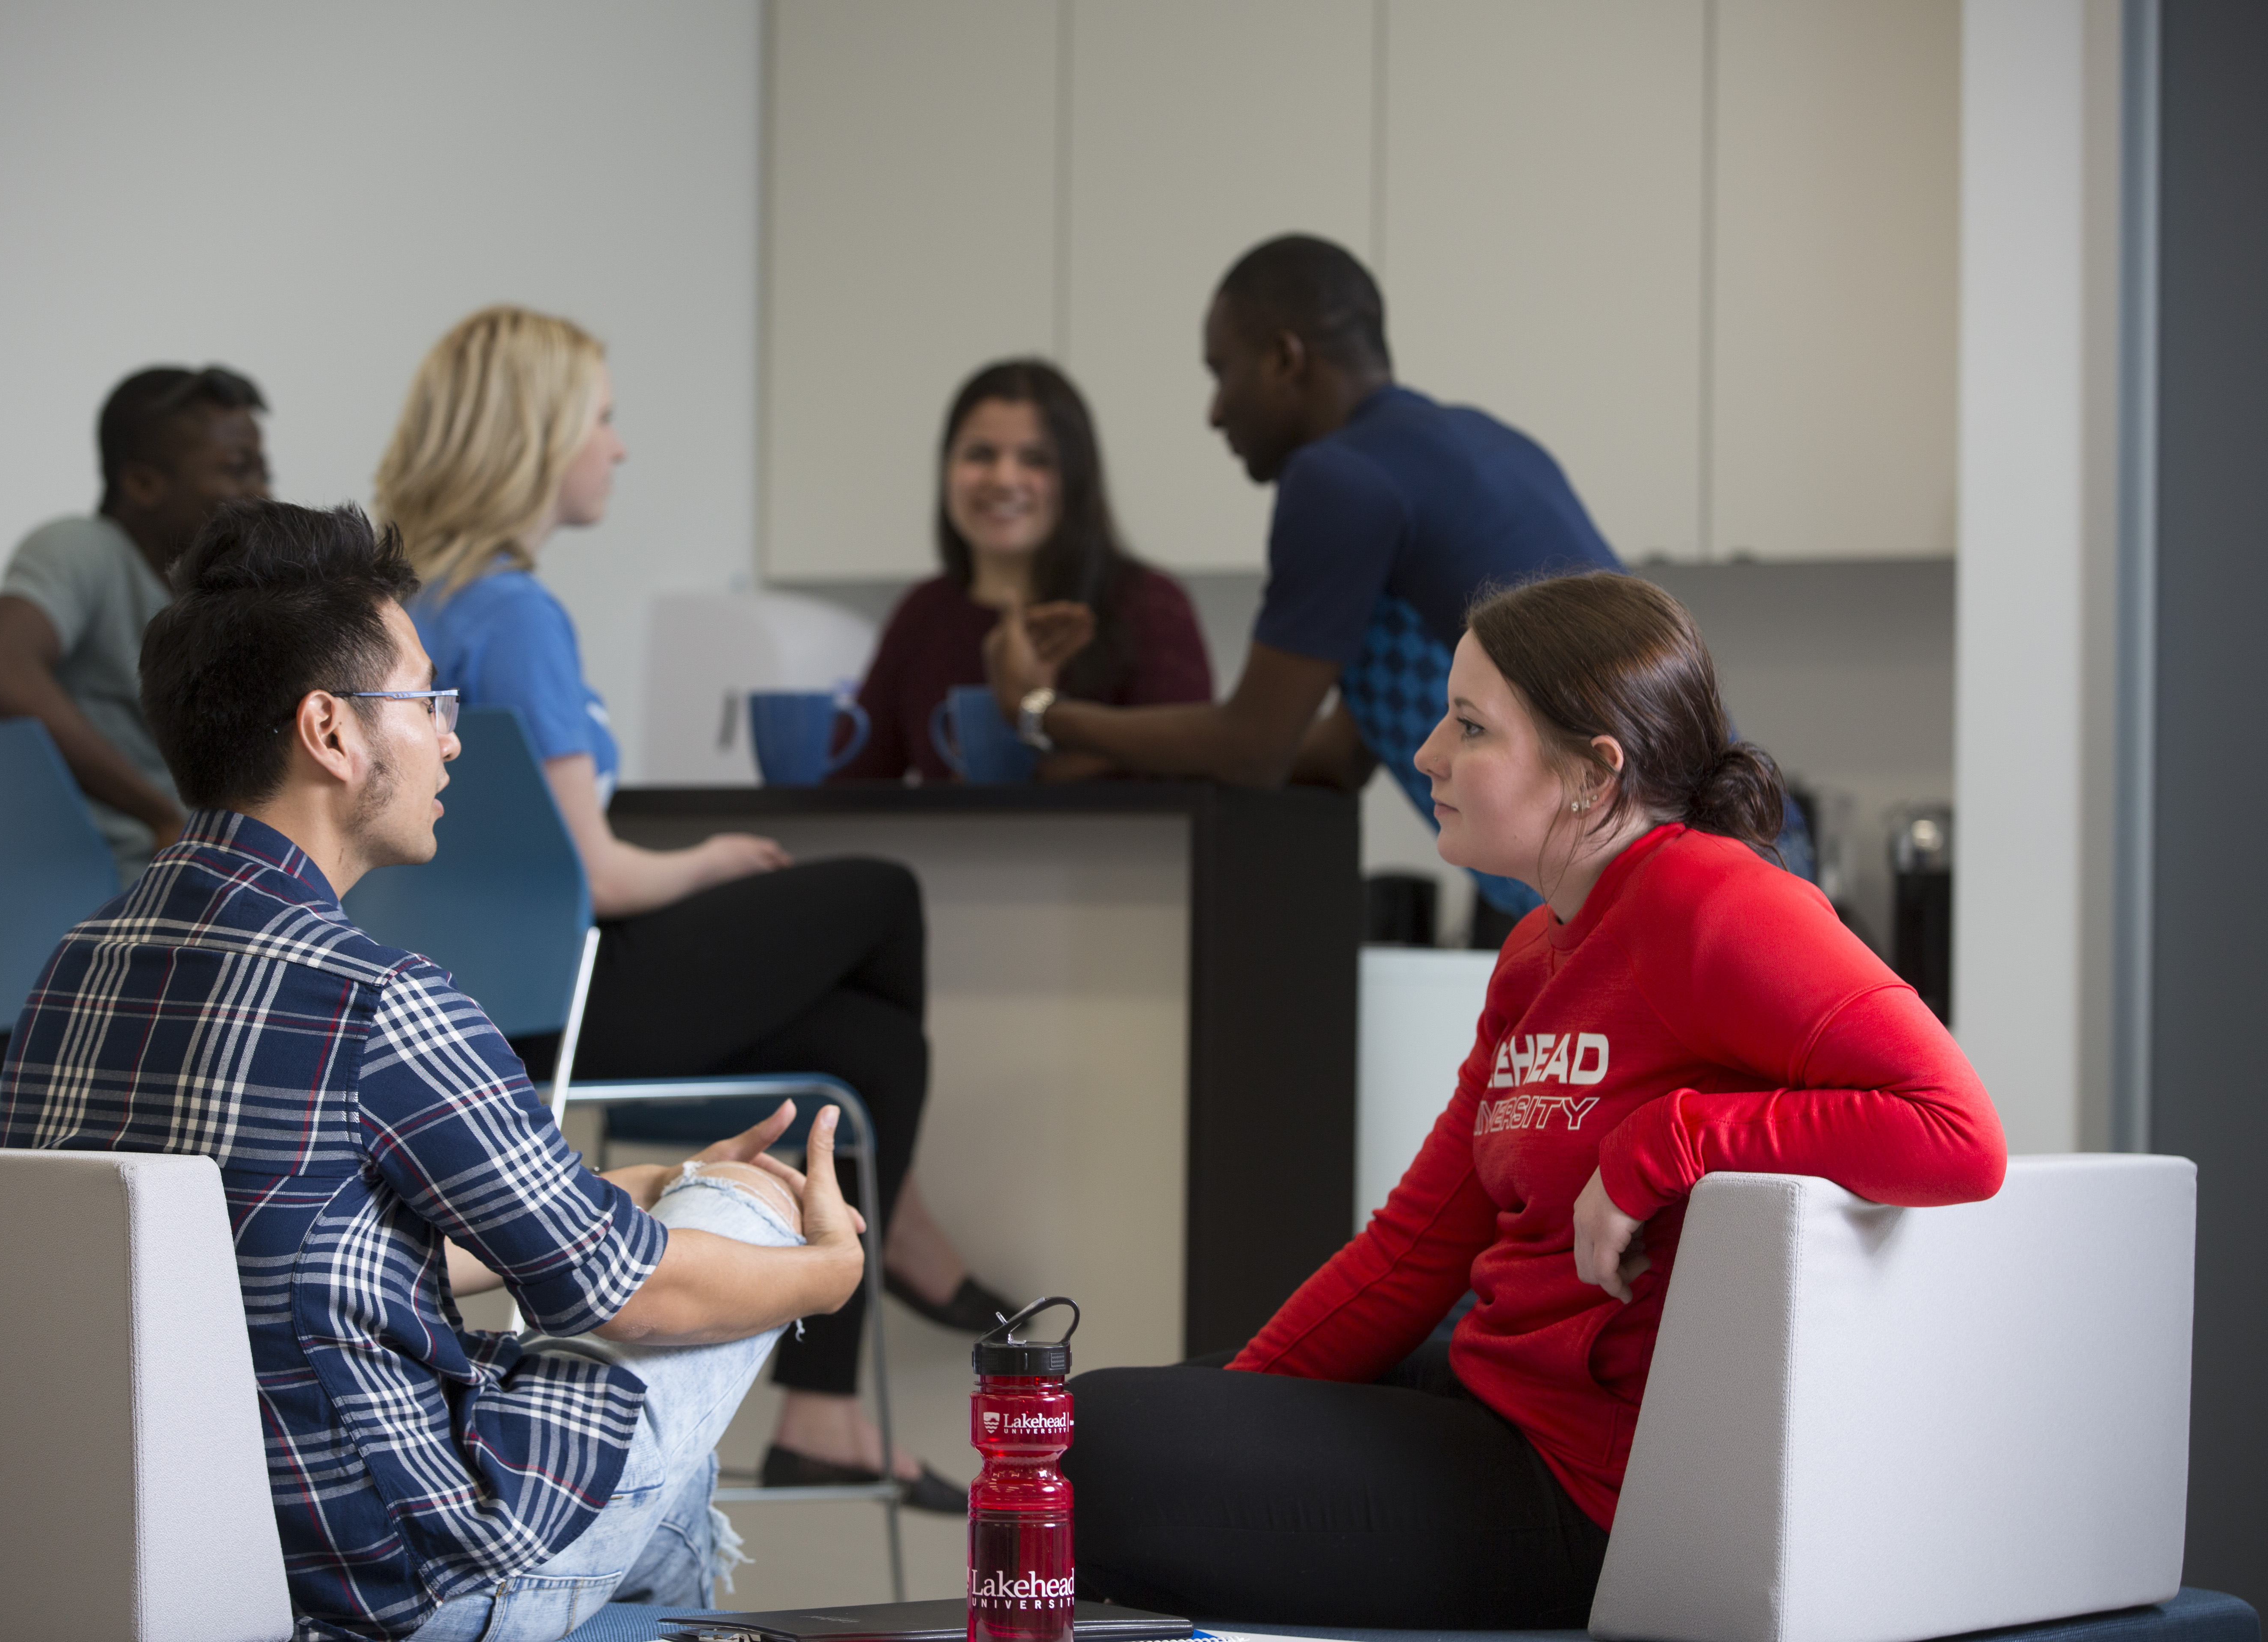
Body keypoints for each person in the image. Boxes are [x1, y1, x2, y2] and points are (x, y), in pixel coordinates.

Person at [1060, 573, 2006, 1629]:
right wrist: (1232, 1417)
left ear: (1591, 773)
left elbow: (1955, 1134)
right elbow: (1412, 1247)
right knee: (1106, 1423)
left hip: (1585, 1487)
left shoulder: (1719, 904)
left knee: (1089, 1439)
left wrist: (1666, 1139)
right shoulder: (1535, 949)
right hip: (1493, 1391)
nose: (1423, 754)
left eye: (1467, 726)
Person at [0, 499, 866, 1642]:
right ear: (332, 731)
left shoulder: (75, 967)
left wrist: (631, 1191)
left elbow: (265, 1259)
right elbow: (639, 1301)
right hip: (398, 1588)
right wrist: (827, 1269)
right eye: (427, 699)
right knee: (748, 1211)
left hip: (190, 1552)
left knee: (660, 1387)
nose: (452, 737)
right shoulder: (379, 1000)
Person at [378, 306, 1008, 1511]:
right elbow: (602, 878)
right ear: (540, 433)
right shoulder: (516, 614)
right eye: (603, 420)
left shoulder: (411, 610)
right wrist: (713, 857)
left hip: (474, 1011)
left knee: (864, 1051)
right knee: (881, 896)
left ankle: (825, 1416)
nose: (618, 447)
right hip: (560, 1007)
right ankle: (902, 1225)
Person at [980, 235, 1625, 936]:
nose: (1215, 412)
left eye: (1221, 372)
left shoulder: (1337, 479)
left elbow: (1252, 747)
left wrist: (1037, 711)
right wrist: (1101, 763)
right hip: (1699, 860)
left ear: (1285, 360)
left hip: (1632, 901)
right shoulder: (1478, 444)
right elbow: (1337, 756)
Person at [0, 366, 271, 888]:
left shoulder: (218, 598)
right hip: (116, 879)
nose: (260, 493)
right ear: (143, 484)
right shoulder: (81, 549)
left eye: (264, 471)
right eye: (238, 471)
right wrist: (160, 815)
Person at [837, 359, 1213, 781]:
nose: (1004, 478)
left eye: (1036, 459)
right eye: (981, 454)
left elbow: (1187, 768)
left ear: (1077, 477)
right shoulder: (922, 614)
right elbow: (849, 780)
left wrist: (1034, 717)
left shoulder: (1151, 605)